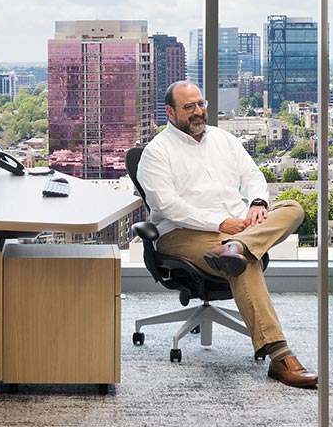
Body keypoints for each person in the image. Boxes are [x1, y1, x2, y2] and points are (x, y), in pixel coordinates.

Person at [136, 80, 317, 390]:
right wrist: (222, 223)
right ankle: (280, 356)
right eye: (189, 107)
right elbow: (170, 207)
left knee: (292, 208)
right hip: (183, 233)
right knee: (243, 264)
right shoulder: (156, 153)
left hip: (239, 228)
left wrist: (257, 204)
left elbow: (252, 176)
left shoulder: (224, 139)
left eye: (201, 104)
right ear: (170, 112)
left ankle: (237, 247)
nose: (198, 111)